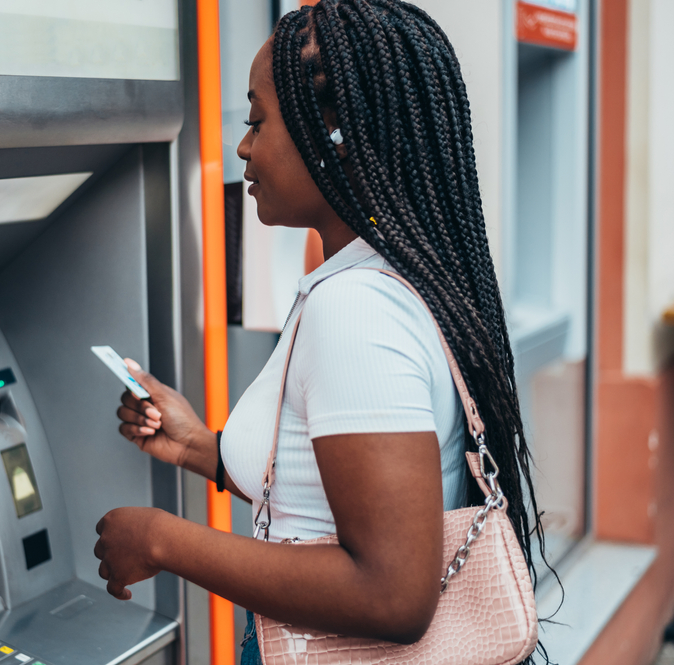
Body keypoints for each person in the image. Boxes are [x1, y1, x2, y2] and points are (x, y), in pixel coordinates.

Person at [93, 1, 545, 663]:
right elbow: (331, 496)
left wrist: (162, 539)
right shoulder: (386, 275)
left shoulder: (356, 309)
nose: (243, 146)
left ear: (335, 132)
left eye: (257, 119)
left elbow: (391, 593)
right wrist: (202, 448)